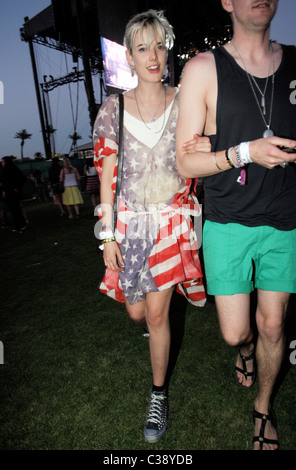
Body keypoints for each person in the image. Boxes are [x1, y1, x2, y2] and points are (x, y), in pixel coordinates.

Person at [176, 0, 296, 450]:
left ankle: (263, 409)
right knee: (236, 332)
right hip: (229, 220)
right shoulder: (204, 68)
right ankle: (244, 352)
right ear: (227, 1)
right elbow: (185, 159)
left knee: (272, 325)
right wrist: (243, 150)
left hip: (286, 219)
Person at [93, 10, 208, 443]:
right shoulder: (113, 108)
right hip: (128, 227)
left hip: (171, 223)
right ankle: (154, 315)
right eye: (143, 48)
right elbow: (106, 177)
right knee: (137, 310)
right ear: (130, 56)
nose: (153, 55)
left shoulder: (185, 101)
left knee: (157, 313)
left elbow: (203, 147)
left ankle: (157, 395)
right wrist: (107, 235)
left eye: (159, 45)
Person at [0, 157, 27, 232]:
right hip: (8, 192)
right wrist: (4, 191)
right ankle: (17, 225)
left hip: (14, 192)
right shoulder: (3, 171)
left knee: (16, 208)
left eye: (3, 162)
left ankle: (21, 223)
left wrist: (16, 187)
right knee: (12, 209)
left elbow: (22, 179)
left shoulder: (13, 170)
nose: (2, 163)